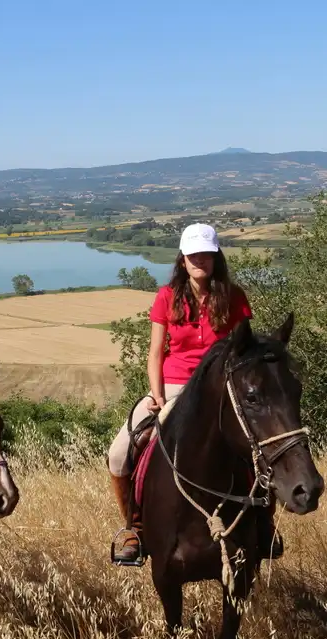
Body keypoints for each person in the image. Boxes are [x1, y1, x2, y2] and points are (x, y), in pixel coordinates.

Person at [107, 223, 281, 563]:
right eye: (193, 255)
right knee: (118, 454)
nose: (199, 259)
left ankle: (264, 522)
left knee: (261, 449)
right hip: (172, 387)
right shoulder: (166, 297)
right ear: (182, 260)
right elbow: (155, 352)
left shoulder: (235, 297)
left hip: (220, 390)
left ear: (216, 257)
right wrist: (156, 396)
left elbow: (244, 351)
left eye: (206, 254)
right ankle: (135, 528)